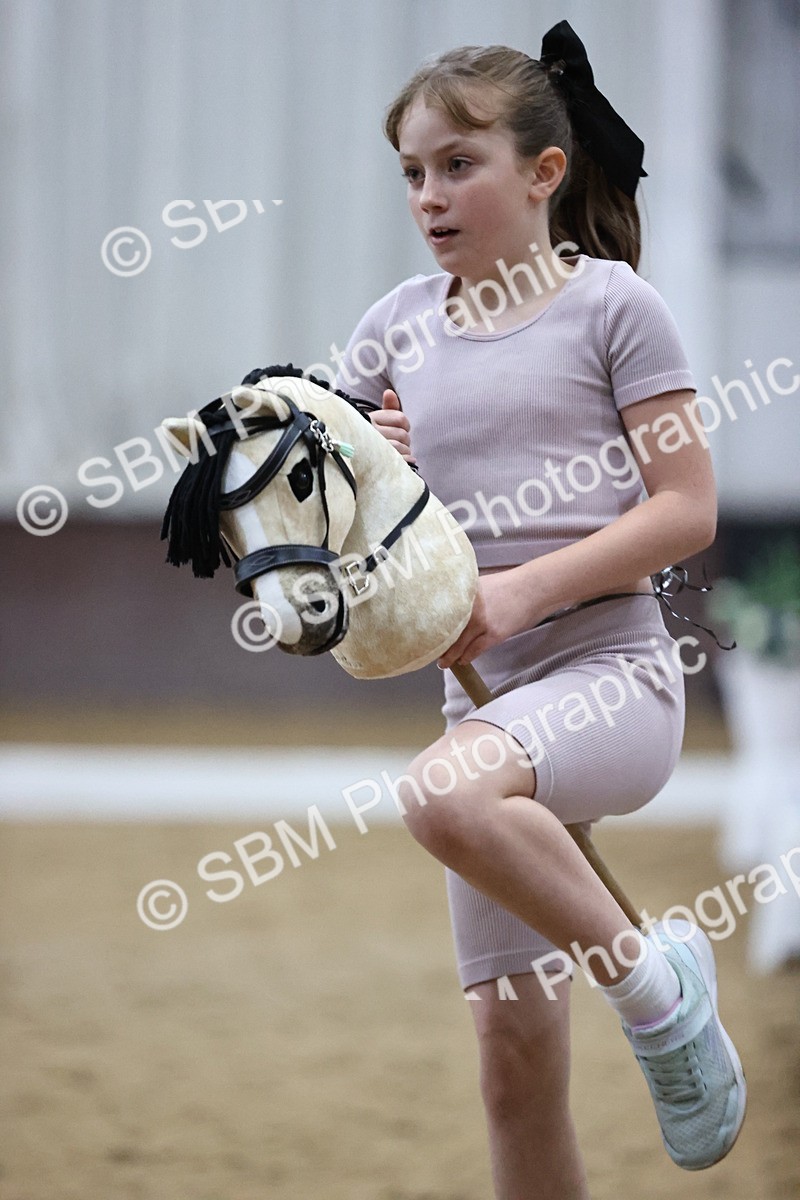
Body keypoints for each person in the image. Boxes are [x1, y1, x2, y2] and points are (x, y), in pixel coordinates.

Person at [331, 20, 746, 1197]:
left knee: (438, 794)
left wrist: (514, 591)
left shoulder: (614, 310)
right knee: (511, 1061)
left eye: (457, 164)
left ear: (543, 172)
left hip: (609, 681)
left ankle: (657, 993)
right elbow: (322, 501)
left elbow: (685, 508)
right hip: (481, 706)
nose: (428, 195)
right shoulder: (391, 328)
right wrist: (366, 460)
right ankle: (648, 988)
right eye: (411, 171)